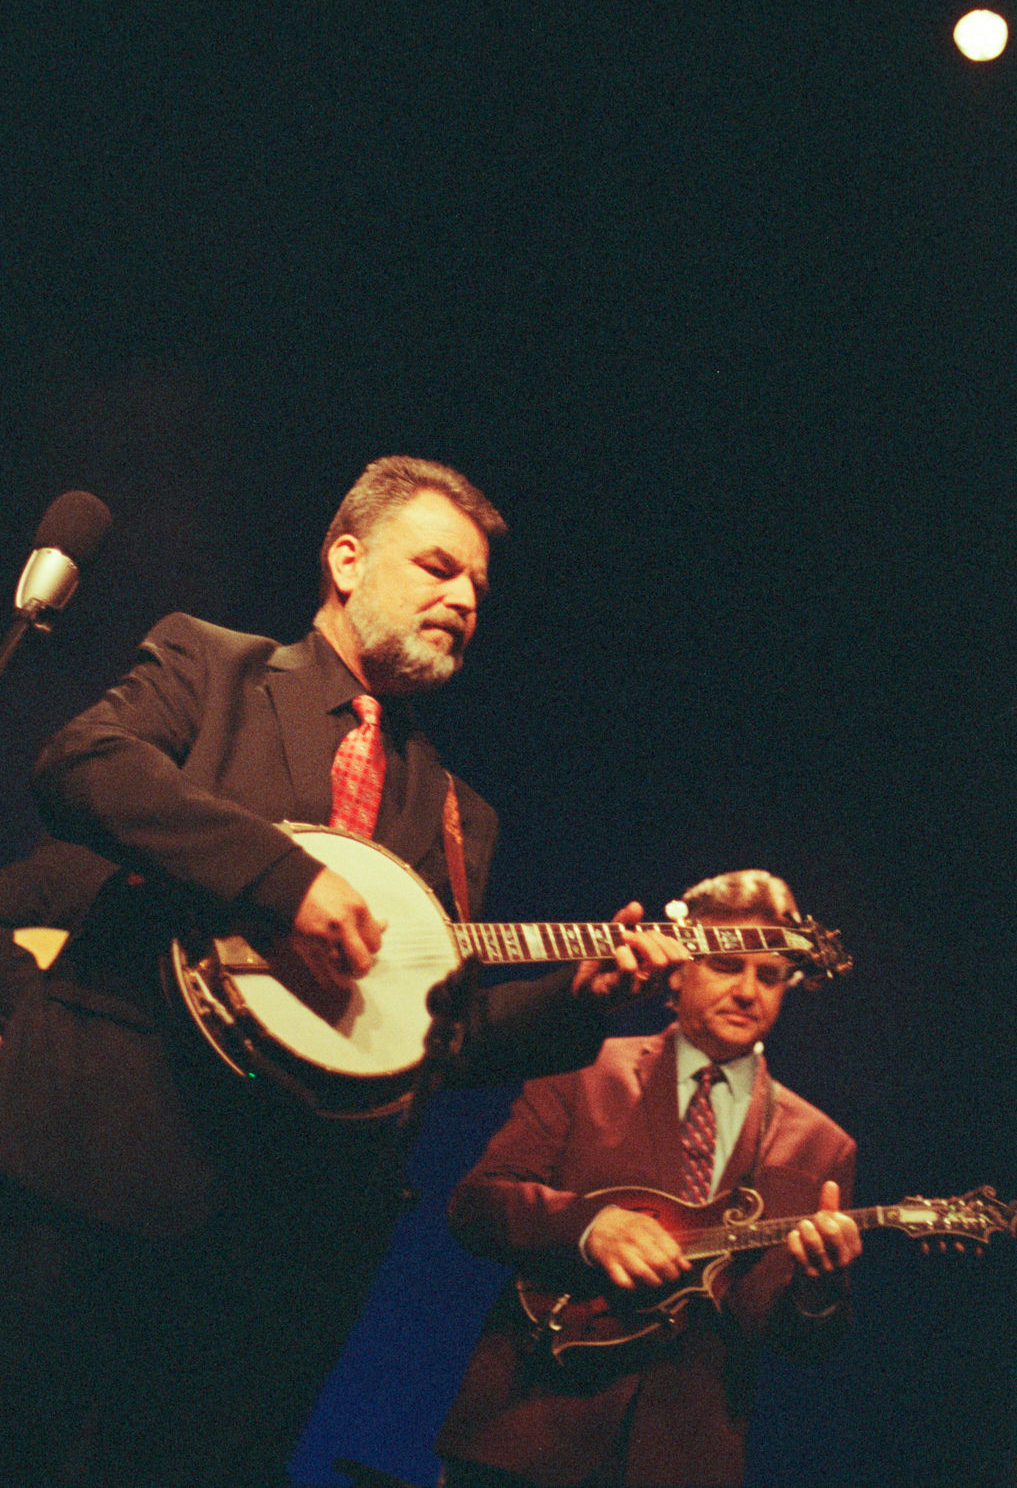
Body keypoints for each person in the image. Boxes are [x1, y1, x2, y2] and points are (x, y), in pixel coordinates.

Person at [0, 455, 684, 1488]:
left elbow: (435, 1035)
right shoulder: (212, 666)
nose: (464, 600)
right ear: (347, 561)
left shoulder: (459, 816)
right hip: (95, 1175)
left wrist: (575, 1004)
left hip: (280, 1249)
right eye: (439, 568)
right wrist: (282, 881)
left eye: (478, 588)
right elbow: (81, 765)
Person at [436, 869, 862, 1488]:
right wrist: (590, 1228)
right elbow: (476, 1206)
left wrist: (820, 1286)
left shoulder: (823, 1146)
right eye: (726, 965)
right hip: (526, 1432)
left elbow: (802, 1345)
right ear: (678, 969)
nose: (748, 991)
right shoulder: (580, 1062)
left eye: (769, 976)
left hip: (683, 1460)